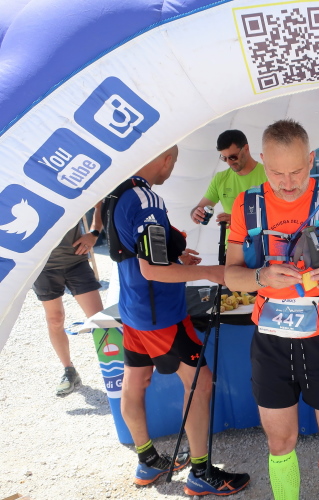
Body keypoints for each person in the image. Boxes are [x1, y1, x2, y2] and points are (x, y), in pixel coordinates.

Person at [225, 119, 319, 500]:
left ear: (311, 160)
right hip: (271, 341)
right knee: (280, 442)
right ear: (262, 160)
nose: (287, 183)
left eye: (296, 172)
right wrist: (260, 276)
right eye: (276, 173)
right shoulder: (247, 205)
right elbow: (231, 275)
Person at [112, 146, 249, 495]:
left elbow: (133, 251)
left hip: (133, 308)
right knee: (200, 383)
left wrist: (175, 254)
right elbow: (151, 269)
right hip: (160, 314)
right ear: (165, 159)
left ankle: (147, 460)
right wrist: (210, 272)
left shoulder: (117, 191)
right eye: (173, 160)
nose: (172, 168)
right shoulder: (147, 201)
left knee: (136, 380)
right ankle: (201, 472)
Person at [33, 205, 104, 396]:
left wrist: (94, 233)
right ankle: (69, 371)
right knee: (55, 319)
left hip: (76, 261)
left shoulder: (67, 186)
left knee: (100, 320)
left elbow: (100, 200)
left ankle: (118, 368)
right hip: (43, 267)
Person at [190, 129, 267, 226]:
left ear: (246, 149)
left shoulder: (269, 175)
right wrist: (196, 213)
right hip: (229, 237)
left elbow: (277, 216)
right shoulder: (220, 178)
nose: (229, 162)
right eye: (224, 158)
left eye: (233, 157)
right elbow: (200, 207)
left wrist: (237, 220)